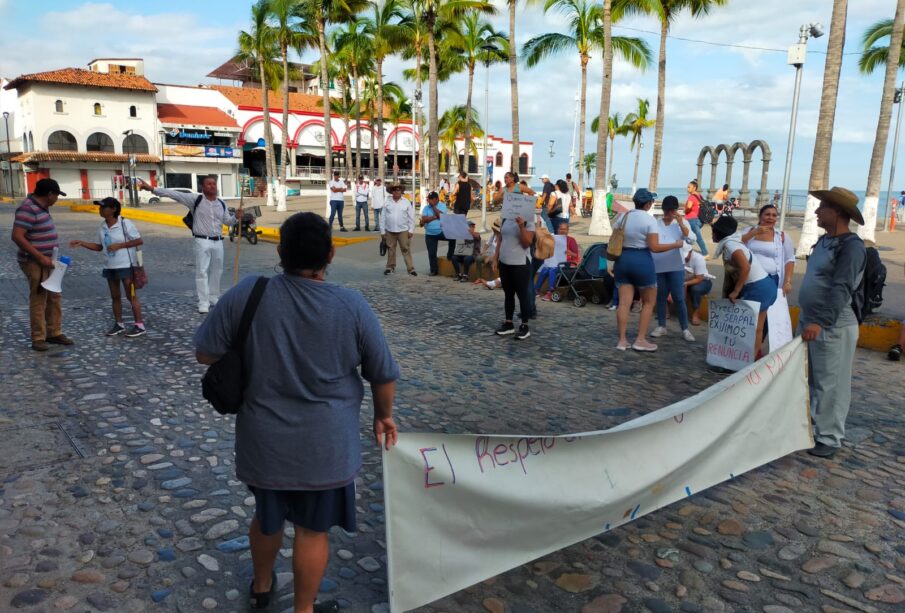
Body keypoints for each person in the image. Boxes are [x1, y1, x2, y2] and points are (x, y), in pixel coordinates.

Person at [194, 212, 399, 613]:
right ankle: (303, 609)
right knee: (312, 530)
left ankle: (261, 585)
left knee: (267, 518)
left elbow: (205, 352)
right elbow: (383, 373)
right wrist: (383, 415)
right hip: (326, 448)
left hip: (264, 443)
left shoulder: (249, 292)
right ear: (331, 255)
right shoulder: (351, 305)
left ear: (280, 251)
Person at [798, 187, 866, 458]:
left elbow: (842, 288)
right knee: (811, 379)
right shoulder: (824, 241)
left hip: (833, 325)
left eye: (822, 207)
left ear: (837, 212)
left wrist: (821, 322)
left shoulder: (851, 246)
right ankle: (814, 427)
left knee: (831, 384)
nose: (816, 211)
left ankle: (830, 436)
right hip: (810, 320)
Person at [138, 176, 242, 314]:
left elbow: (227, 221)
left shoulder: (221, 203)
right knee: (202, 272)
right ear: (202, 187)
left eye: (214, 184)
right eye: (209, 184)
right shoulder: (195, 200)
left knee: (217, 271)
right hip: (202, 241)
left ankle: (213, 297)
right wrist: (152, 189)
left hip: (218, 241)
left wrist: (236, 217)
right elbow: (174, 194)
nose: (212, 186)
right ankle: (203, 302)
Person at [613, 188, 684, 352]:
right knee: (648, 302)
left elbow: (616, 236)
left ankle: (622, 341)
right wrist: (675, 244)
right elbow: (654, 247)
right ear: (648, 204)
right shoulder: (650, 220)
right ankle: (640, 340)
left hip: (623, 260)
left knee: (624, 303)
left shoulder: (624, 216)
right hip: (642, 261)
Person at [11, 178, 76, 351]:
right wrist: (40, 257)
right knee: (39, 297)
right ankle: (38, 337)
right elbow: (17, 236)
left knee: (54, 296)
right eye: (56, 195)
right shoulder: (27, 209)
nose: (57, 199)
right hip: (34, 261)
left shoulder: (42, 207)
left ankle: (54, 332)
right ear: (49, 194)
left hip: (49, 260)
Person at [69, 197, 146, 337]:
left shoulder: (125, 223)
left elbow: (139, 240)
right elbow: (100, 247)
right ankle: (119, 324)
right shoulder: (102, 227)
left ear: (114, 209)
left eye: (103, 207)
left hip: (126, 265)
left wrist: (119, 245)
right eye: (100, 207)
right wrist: (82, 243)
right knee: (115, 296)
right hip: (110, 266)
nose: (100, 210)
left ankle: (139, 325)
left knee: (131, 295)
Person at [711, 215, 776, 360]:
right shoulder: (734, 241)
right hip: (767, 286)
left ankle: (739, 359)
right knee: (757, 328)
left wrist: (736, 291)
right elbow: (743, 238)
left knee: (747, 328)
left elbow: (745, 267)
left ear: (719, 233)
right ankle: (752, 358)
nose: (711, 234)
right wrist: (754, 232)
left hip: (757, 288)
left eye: (713, 231)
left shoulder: (730, 246)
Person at [650, 196, 695, 342]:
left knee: (679, 297)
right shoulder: (656, 224)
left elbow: (691, 239)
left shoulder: (681, 223)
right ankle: (661, 326)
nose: (669, 213)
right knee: (661, 296)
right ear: (663, 210)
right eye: (667, 210)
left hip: (676, 265)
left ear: (676, 210)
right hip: (659, 264)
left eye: (672, 210)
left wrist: (681, 223)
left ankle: (685, 328)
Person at [494, 206, 535, 340]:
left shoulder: (528, 220)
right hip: (505, 261)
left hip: (520, 263)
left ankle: (524, 325)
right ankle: (508, 323)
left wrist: (521, 226)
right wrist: (496, 256)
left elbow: (527, 242)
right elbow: (500, 238)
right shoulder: (506, 217)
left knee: (522, 295)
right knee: (508, 293)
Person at [535, 222, 580, 301]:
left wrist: (570, 253)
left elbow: (576, 255)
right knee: (545, 269)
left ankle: (550, 291)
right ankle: (536, 290)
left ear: (568, 230)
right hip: (555, 262)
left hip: (567, 265)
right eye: (560, 229)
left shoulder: (571, 240)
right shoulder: (554, 239)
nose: (562, 231)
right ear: (558, 230)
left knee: (552, 270)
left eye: (564, 229)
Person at [380, 183, 417, 276]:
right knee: (391, 249)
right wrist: (382, 231)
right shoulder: (387, 202)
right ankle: (390, 267)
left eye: (398, 190)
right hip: (390, 230)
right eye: (395, 190)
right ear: (392, 191)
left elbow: (411, 217)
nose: (397, 191)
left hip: (403, 230)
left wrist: (411, 230)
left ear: (401, 191)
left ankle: (410, 269)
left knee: (406, 249)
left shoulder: (406, 202)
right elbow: (383, 217)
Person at [421, 191, 455, 276]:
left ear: (437, 199)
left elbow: (441, 216)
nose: (430, 201)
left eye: (432, 199)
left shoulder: (442, 205)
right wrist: (434, 216)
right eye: (429, 199)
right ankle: (433, 270)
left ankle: (450, 255)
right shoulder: (426, 208)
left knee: (453, 237)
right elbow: (424, 220)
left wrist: (433, 207)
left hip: (441, 231)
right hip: (430, 233)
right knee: (432, 253)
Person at [683, 243, 713, 326]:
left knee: (696, 289)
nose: (684, 257)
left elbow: (699, 278)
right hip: (685, 280)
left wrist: (685, 283)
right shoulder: (677, 256)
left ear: (691, 251)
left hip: (702, 281)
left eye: (686, 255)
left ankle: (696, 313)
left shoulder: (698, 258)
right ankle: (665, 312)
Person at [684, 180, 708, 256]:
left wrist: (685, 211)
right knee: (688, 237)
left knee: (697, 237)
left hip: (692, 220)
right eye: (687, 187)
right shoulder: (699, 196)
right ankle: (686, 251)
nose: (687, 189)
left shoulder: (691, 197)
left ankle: (705, 254)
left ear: (694, 188)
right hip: (699, 220)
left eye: (689, 187)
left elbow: (689, 207)